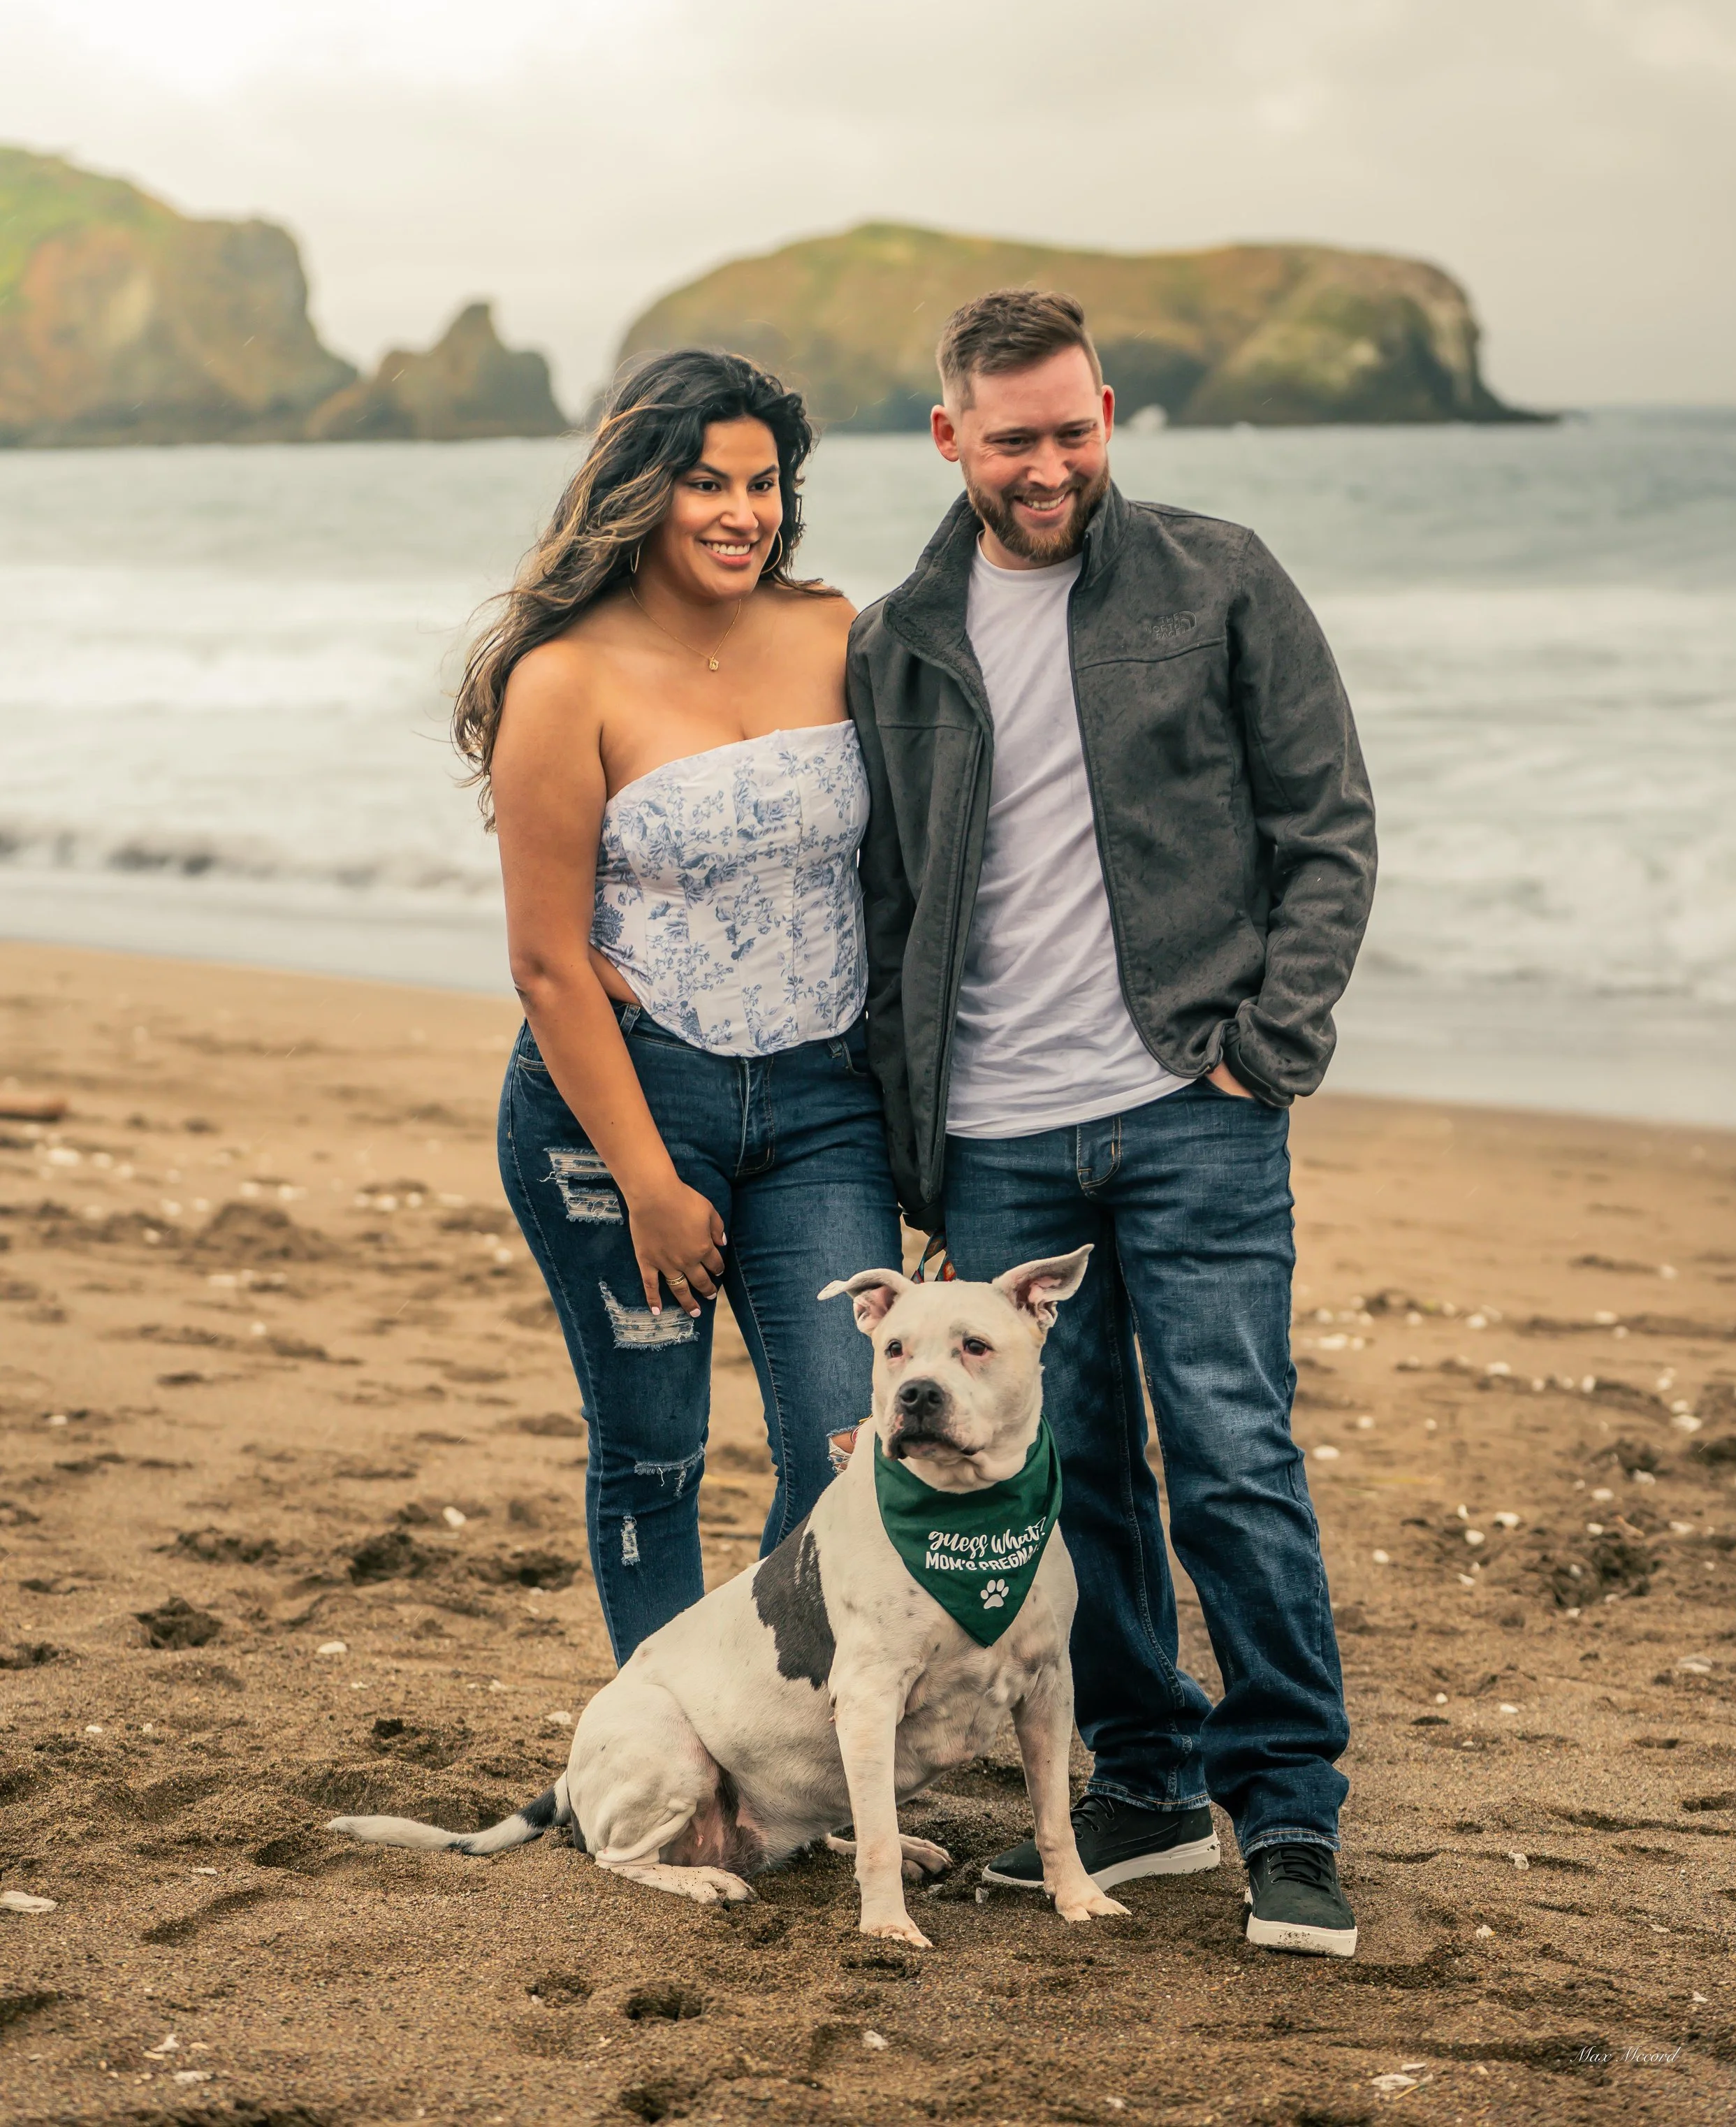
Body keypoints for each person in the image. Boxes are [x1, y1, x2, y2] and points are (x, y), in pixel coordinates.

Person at [846, 289, 1377, 1958]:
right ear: (950, 438)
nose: (1048, 461)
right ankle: (1142, 1787)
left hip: (1190, 1104)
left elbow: (1328, 825)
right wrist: (906, 1128)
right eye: (1012, 436)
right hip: (999, 1138)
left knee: (1233, 1455)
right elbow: (885, 899)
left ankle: (1284, 1806)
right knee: (1073, 1489)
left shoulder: (1218, 574)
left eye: (1073, 427)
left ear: (1106, 413)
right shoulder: (899, 630)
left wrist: (1265, 1047)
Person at [454, 349, 899, 1662]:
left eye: (763, 484)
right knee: (654, 1454)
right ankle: (666, 1735)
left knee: (843, 1446)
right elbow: (546, 963)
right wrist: (647, 1179)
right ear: (642, 489)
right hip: (625, 1107)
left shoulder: (834, 631)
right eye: (706, 480)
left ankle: (756, 1708)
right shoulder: (566, 680)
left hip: (825, 1101)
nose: (739, 512)